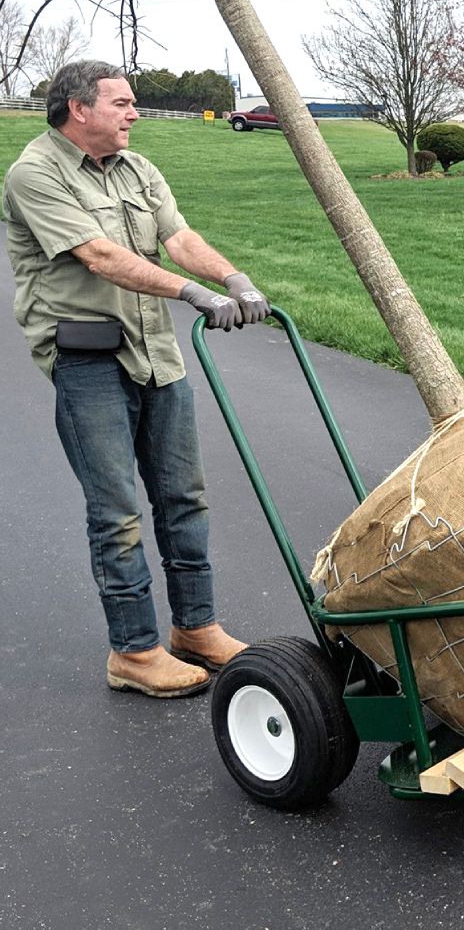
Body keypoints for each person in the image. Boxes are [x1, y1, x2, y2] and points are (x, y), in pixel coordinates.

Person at [2, 59, 269, 698]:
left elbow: (177, 237)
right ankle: (134, 651)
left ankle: (196, 629)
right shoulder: (35, 173)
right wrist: (193, 295)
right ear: (77, 108)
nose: (134, 113)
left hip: (157, 354)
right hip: (89, 360)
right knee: (117, 511)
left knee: (184, 498)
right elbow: (97, 255)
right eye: (121, 102)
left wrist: (234, 278)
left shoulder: (139, 169)